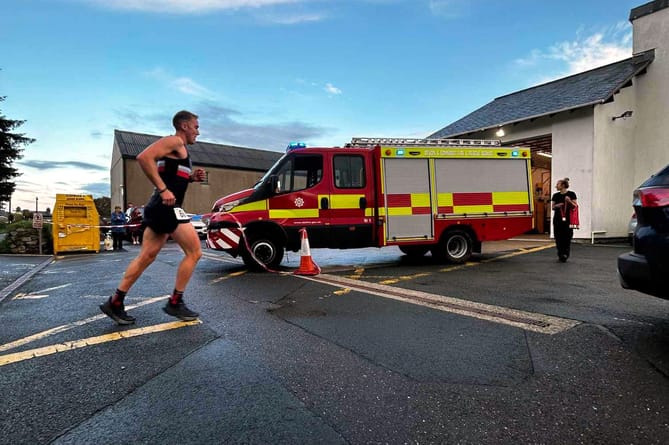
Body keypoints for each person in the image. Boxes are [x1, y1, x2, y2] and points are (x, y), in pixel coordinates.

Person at [100, 110, 206, 324]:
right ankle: (175, 303)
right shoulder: (174, 141)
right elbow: (144, 157)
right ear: (184, 126)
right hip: (165, 207)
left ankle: (115, 302)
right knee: (194, 252)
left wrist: (192, 178)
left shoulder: (181, 150)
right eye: (196, 126)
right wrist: (163, 189)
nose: (198, 131)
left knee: (146, 256)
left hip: (162, 207)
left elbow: (171, 175)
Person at [551, 177, 578, 263]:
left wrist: (569, 201)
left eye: (558, 184)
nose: (556, 186)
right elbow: (552, 207)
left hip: (568, 219)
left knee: (567, 236)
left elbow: (575, 206)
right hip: (558, 219)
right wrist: (557, 206)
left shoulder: (571, 194)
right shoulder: (555, 195)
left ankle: (565, 253)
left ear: (563, 185)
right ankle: (560, 253)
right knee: (558, 236)